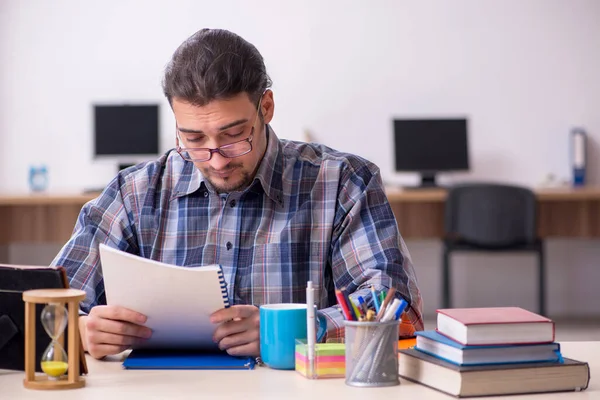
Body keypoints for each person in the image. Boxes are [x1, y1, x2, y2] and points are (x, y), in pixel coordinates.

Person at [51, 28, 424, 360]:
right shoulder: (134, 192)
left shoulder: (342, 183)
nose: (215, 160)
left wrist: (292, 329)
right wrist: (80, 332)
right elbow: (45, 304)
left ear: (266, 108)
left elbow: (395, 309)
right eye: (194, 139)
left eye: (233, 136)